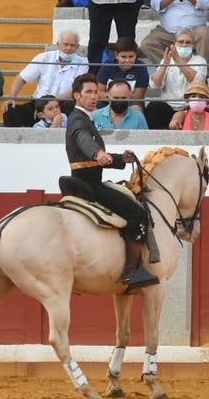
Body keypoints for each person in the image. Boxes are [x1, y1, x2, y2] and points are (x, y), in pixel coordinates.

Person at [62, 74, 157, 289]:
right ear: (76, 96)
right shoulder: (79, 119)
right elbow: (82, 139)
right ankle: (132, 271)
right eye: (88, 92)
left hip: (86, 180)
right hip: (90, 185)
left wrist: (118, 159)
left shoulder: (85, 117)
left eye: (96, 92)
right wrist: (97, 153)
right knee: (138, 213)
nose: (94, 97)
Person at [2, 30, 88, 128]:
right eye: (65, 44)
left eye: (72, 45)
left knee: (74, 107)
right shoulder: (44, 57)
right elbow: (21, 79)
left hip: (62, 105)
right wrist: (12, 98)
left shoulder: (83, 63)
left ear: (77, 47)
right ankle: (14, 142)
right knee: (10, 110)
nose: (68, 48)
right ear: (58, 44)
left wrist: (50, 104)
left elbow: (75, 89)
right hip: (37, 104)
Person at [145, 31, 209, 129]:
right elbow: (155, 85)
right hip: (168, 105)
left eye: (188, 42)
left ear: (193, 45)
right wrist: (164, 65)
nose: (184, 45)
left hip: (189, 107)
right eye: (181, 42)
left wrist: (178, 59)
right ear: (175, 44)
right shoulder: (167, 60)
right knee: (153, 107)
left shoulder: (200, 60)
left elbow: (196, 81)